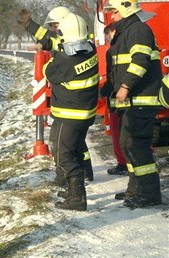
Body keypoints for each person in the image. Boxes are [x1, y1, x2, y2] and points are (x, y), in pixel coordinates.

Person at [19, 7, 95, 183]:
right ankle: (85, 171)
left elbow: (51, 72)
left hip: (70, 108)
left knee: (64, 148)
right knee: (78, 143)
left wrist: (51, 60)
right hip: (83, 107)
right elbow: (48, 39)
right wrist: (30, 26)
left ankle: (73, 183)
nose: (53, 29)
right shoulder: (84, 44)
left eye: (55, 25)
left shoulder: (69, 52)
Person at [103, 0, 163, 207]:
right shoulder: (126, 32)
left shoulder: (138, 30)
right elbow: (118, 69)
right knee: (128, 145)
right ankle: (135, 189)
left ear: (126, 9)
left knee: (136, 145)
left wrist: (126, 86)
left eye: (114, 12)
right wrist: (107, 90)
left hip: (141, 99)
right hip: (131, 101)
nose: (112, 16)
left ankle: (150, 194)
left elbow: (140, 62)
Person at [43, 13, 99, 211]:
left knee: (63, 153)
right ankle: (71, 190)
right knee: (74, 149)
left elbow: (48, 72)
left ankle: (77, 197)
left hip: (69, 115)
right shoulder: (91, 50)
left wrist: (55, 55)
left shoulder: (65, 59)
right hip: (84, 114)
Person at [100, 24, 129, 176]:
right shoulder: (127, 46)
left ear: (113, 32)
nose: (106, 39)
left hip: (119, 98)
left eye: (107, 35)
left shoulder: (113, 51)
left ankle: (124, 164)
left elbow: (112, 77)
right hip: (127, 97)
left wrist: (102, 91)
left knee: (119, 133)